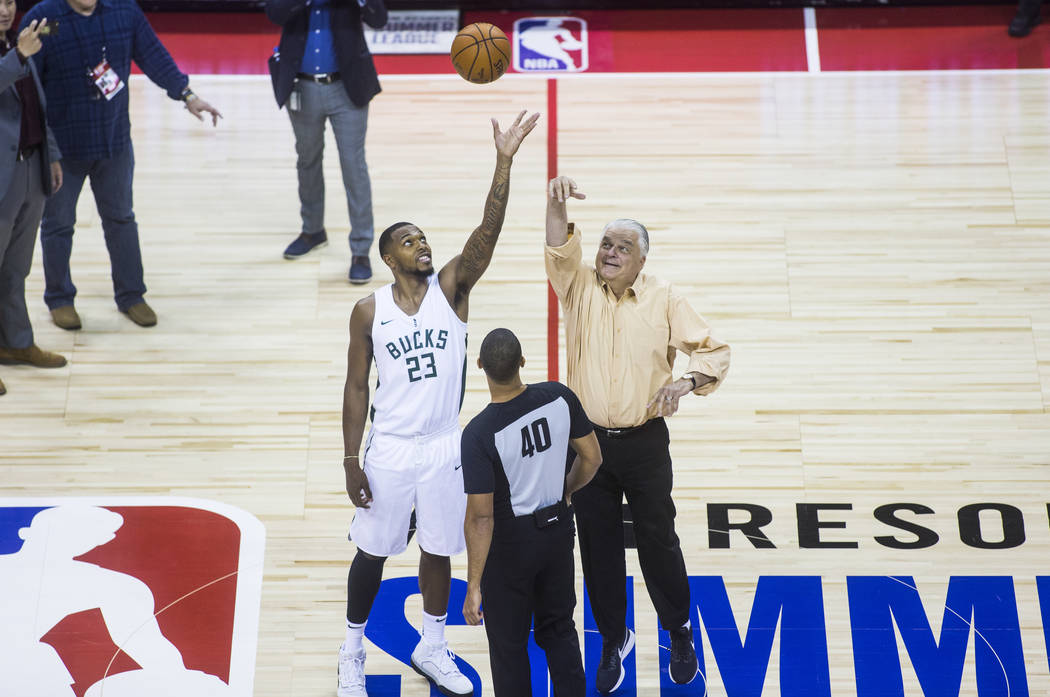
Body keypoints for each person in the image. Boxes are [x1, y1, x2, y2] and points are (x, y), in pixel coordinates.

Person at [337, 110, 538, 697]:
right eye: (409, 240)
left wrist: (503, 161)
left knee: (438, 550)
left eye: (424, 237)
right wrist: (351, 461)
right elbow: (355, 388)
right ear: (389, 257)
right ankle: (350, 652)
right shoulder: (368, 311)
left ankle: (433, 642)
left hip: (445, 443)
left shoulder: (451, 291)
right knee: (371, 555)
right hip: (392, 448)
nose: (421, 244)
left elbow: (488, 232)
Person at [544, 175, 731, 693]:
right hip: (586, 446)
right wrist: (554, 204)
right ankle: (611, 638)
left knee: (659, 541)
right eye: (606, 243)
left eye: (623, 247)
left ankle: (678, 629)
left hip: (646, 443)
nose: (610, 252)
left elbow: (715, 350)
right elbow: (559, 247)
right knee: (598, 549)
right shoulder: (577, 286)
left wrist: (686, 382)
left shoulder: (665, 298)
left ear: (641, 261)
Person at [20, 0, 222, 331]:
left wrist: (186, 95)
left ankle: (131, 295)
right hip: (63, 149)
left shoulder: (124, 11)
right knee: (58, 224)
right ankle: (60, 299)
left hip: (114, 143)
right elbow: (30, 85)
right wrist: (45, 148)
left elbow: (154, 56)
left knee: (121, 220)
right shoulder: (45, 20)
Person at [461, 328, 602, 697]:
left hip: (511, 548)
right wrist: (567, 489)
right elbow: (592, 458)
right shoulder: (559, 397)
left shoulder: (479, 433)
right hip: (556, 534)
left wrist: (473, 584)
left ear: (480, 367)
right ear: (522, 362)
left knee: (508, 648)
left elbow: (480, 517)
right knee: (559, 630)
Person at [266, 0, 387, 284]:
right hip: (302, 86)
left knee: (353, 165)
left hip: (347, 88)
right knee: (307, 159)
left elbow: (379, 18)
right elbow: (274, 13)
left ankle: (360, 250)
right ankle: (312, 231)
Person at [0, 13, 65, 395]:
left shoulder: (17, 43)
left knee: (15, 269)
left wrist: (51, 153)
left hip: (30, 168)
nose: (5, 8)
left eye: (8, 0)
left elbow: (36, 108)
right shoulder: (18, 51)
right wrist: (18, 58)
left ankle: (17, 343)